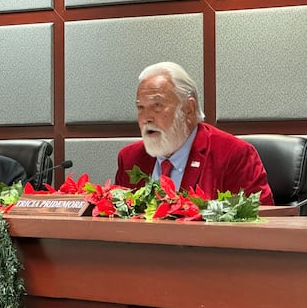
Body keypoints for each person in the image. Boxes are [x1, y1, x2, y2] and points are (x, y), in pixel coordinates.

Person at [115, 62, 274, 204]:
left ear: (188, 109)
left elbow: (260, 228)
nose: (146, 118)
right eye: (140, 108)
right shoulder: (130, 159)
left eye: (157, 105)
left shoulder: (234, 155)